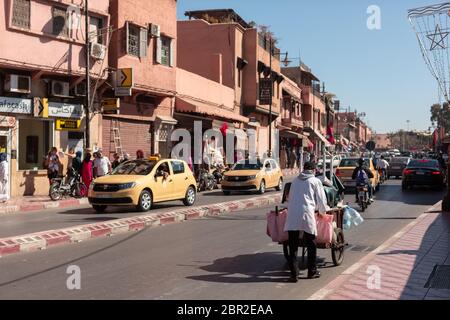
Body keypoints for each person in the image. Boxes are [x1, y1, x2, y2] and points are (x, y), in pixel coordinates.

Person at [284, 162, 329, 282]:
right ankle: (312, 271)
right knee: (311, 243)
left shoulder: (295, 181)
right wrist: (322, 211)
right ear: (313, 170)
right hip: (307, 214)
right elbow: (321, 199)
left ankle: (294, 274)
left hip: (293, 214)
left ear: (304, 170)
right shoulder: (315, 181)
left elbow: (290, 197)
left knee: (292, 245)